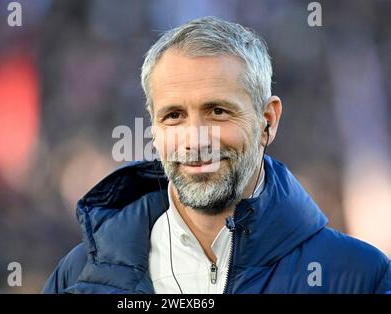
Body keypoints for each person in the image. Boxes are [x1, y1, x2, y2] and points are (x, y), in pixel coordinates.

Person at [43, 16, 390, 294]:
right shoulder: (77, 277)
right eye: (174, 115)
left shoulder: (361, 277)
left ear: (267, 121)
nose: (194, 140)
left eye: (218, 112)